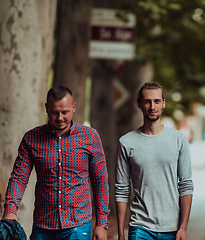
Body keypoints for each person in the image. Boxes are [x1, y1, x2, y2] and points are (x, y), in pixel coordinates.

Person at [2, 86, 110, 240]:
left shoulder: (90, 137)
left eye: (65, 112)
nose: (60, 118)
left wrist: (102, 223)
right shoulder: (31, 138)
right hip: (43, 226)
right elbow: (19, 177)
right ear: (46, 108)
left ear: (73, 108)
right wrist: (10, 211)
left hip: (78, 225)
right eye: (55, 112)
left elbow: (100, 181)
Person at [115, 82, 194, 240]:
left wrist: (183, 227)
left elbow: (186, 185)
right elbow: (122, 189)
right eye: (147, 101)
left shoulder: (178, 140)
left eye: (157, 101)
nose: (152, 106)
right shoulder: (126, 142)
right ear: (139, 104)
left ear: (163, 103)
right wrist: (120, 233)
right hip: (140, 227)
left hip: (172, 227)